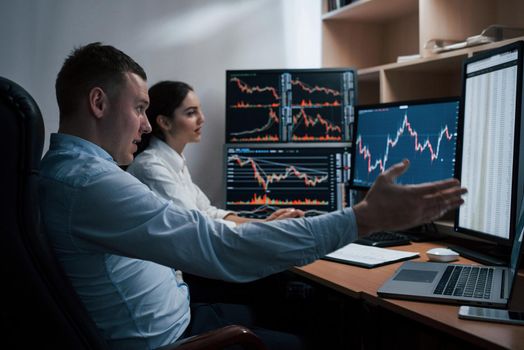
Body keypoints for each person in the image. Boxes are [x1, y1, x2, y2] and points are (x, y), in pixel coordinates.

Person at [38, 42, 466, 350]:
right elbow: (218, 245)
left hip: (183, 315)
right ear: (98, 102)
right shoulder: (89, 184)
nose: (146, 126)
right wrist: (363, 218)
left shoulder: (74, 175)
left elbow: (203, 224)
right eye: (138, 108)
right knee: (320, 332)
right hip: (183, 339)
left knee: (305, 308)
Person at [126, 80, 304, 228]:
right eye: (191, 113)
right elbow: (197, 225)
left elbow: (209, 212)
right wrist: (265, 227)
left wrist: (265, 223)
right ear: (164, 122)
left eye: (199, 110)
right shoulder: (151, 167)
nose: (202, 118)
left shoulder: (175, 161)